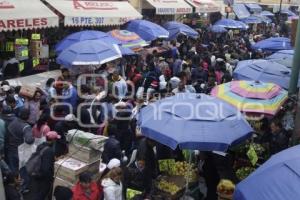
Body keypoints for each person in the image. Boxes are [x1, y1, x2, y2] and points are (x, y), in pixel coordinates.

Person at [30, 131, 60, 200]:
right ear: (53, 140)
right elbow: (45, 168)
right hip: (44, 178)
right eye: (55, 139)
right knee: (42, 194)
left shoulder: (41, 145)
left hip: (36, 172)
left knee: (37, 191)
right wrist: (50, 177)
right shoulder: (49, 151)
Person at [5, 108, 34, 174]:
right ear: (28, 116)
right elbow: (29, 140)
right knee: (22, 171)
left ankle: (14, 181)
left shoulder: (13, 122)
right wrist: (33, 138)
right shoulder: (26, 127)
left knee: (13, 168)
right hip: (20, 152)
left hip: (11, 149)